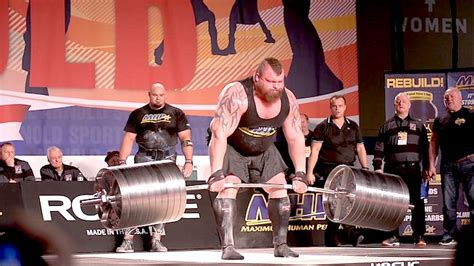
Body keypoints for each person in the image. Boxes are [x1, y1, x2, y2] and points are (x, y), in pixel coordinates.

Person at [208, 57, 307, 260]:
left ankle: (281, 245)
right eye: (271, 82)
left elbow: (296, 137)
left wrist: (300, 173)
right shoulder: (237, 95)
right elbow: (218, 133)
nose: (276, 87)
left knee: (279, 188)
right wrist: (216, 173)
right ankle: (228, 247)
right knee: (229, 186)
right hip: (233, 147)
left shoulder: (288, 99)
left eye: (280, 82)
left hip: (264, 149)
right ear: (257, 78)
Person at [117, 82, 194, 253]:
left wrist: (189, 161)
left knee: (164, 200)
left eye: (161, 95)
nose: (158, 98)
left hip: (167, 159)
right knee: (135, 198)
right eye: (154, 95)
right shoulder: (138, 114)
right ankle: (127, 240)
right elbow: (128, 139)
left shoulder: (176, 113)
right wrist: (122, 162)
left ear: (164, 95)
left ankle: (156, 240)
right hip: (144, 157)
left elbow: (185, 139)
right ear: (149, 94)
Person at [306, 95, 368, 247]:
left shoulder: (353, 126)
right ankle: (351, 233)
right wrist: (309, 172)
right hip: (330, 169)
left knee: (347, 201)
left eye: (340, 106)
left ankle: (331, 237)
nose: (337, 108)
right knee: (336, 202)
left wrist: (365, 168)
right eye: (334, 106)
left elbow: (360, 148)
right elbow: (314, 151)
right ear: (330, 107)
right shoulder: (322, 127)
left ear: (345, 107)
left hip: (349, 169)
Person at [373, 92, 429, 247]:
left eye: (404, 101)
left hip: (413, 170)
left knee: (417, 203)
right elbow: (379, 149)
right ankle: (392, 236)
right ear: (394, 105)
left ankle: (419, 236)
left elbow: (425, 150)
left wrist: (427, 168)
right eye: (398, 101)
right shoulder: (386, 126)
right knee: (392, 203)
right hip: (393, 170)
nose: (401, 104)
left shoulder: (418, 125)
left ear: (409, 105)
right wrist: (378, 168)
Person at [427, 87, 474, 246]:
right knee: (448, 203)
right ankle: (449, 234)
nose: (449, 100)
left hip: (470, 164)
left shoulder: (471, 115)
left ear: (460, 98)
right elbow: (433, 143)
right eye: (446, 98)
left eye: (452, 97)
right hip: (448, 166)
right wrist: (432, 165)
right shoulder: (440, 120)